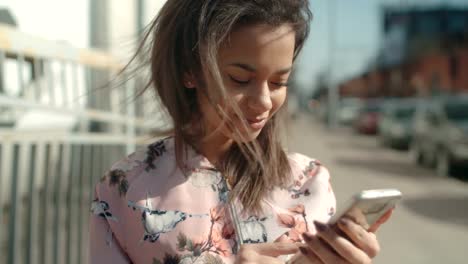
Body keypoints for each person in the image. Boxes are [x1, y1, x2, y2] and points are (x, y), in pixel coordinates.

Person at [89, 1, 393, 263]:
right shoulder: (125, 189)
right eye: (239, 79)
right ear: (189, 70)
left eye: (278, 83)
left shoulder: (309, 184)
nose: (263, 101)